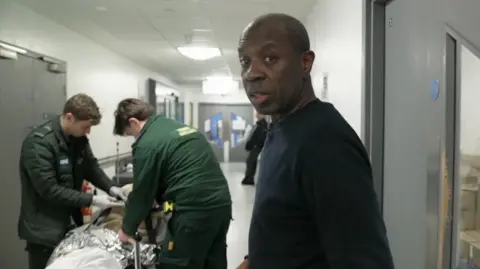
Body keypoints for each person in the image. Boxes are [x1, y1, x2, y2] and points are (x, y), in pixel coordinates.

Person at [236, 13, 395, 269]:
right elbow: (289, 224)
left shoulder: (325, 142)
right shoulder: (280, 127)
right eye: (245, 61)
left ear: (305, 63)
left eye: (270, 58)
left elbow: (364, 260)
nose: (251, 74)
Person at [113, 98, 232, 269]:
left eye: (130, 133)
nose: (134, 138)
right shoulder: (179, 127)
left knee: (176, 262)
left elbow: (142, 195)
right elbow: (180, 169)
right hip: (221, 206)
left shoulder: (147, 143)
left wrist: (126, 230)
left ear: (133, 121)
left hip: (193, 213)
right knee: (212, 261)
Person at [18, 93, 128, 269]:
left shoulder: (79, 139)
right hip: (44, 232)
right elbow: (49, 190)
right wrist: (92, 200)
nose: (88, 131)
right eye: (85, 126)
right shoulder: (39, 144)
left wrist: (112, 187)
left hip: (69, 225)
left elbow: (91, 167)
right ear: (70, 117)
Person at [242, 113, 267, 185]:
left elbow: (261, 137)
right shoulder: (258, 124)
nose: (257, 115)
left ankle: (249, 179)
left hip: (256, 146)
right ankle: (248, 178)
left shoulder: (262, 125)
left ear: (263, 115)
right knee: (250, 162)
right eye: (257, 114)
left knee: (251, 162)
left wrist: (255, 144)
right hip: (254, 146)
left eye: (259, 114)